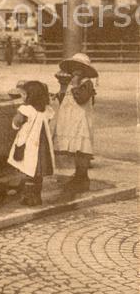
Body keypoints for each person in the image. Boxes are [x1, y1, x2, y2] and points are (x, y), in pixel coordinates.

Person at [53, 53, 98, 192]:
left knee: (83, 149)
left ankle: (83, 177)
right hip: (71, 119)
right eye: (73, 68)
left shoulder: (86, 83)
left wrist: (75, 84)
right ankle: (78, 175)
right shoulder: (71, 83)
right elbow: (63, 101)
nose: (75, 71)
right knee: (76, 149)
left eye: (79, 68)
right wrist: (62, 87)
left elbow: (81, 99)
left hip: (82, 120)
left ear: (84, 70)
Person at [7, 80, 55, 206]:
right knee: (38, 174)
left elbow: (16, 124)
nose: (22, 97)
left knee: (29, 170)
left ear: (31, 96)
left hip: (29, 145)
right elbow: (46, 124)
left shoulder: (26, 110)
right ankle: (37, 197)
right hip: (42, 146)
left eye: (24, 95)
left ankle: (29, 198)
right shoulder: (46, 110)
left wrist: (15, 123)